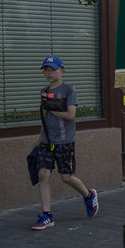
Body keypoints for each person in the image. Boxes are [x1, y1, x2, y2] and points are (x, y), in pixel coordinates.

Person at [30, 55, 99, 230]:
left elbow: (70, 115)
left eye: (52, 69)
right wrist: (39, 138)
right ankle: (47, 216)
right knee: (42, 175)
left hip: (64, 141)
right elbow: (44, 117)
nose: (49, 72)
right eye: (46, 70)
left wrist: (52, 110)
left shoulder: (69, 90)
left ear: (62, 71)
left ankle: (88, 195)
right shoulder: (44, 91)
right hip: (47, 141)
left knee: (66, 177)